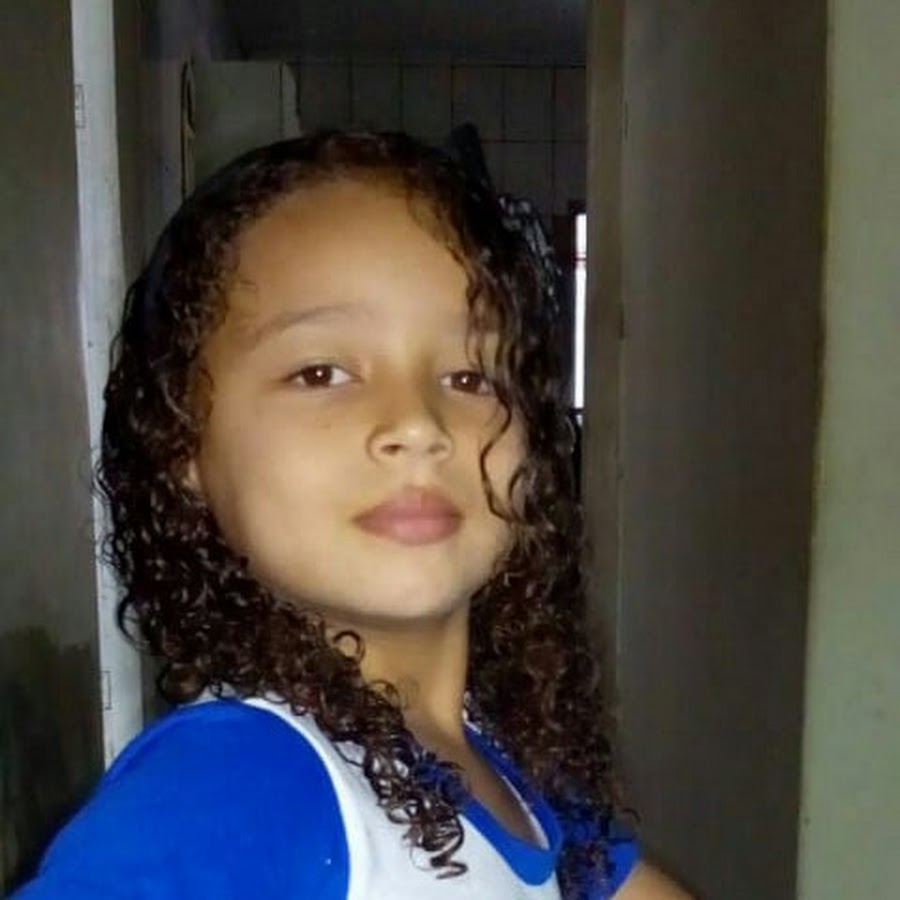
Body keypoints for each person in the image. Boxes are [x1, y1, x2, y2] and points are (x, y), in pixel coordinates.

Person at [13, 131, 689, 899]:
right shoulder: (244, 784)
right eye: (321, 373)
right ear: (182, 446)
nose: (419, 425)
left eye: (471, 376)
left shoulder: (508, 768)